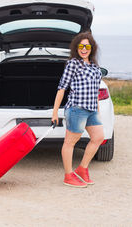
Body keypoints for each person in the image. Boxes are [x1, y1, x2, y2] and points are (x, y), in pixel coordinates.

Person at [52, 31, 104, 188]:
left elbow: (95, 92)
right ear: (76, 48)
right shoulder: (73, 64)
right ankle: (68, 175)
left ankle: (82, 169)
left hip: (92, 110)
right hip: (76, 109)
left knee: (98, 137)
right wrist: (55, 112)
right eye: (81, 46)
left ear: (92, 48)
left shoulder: (95, 68)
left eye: (87, 46)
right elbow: (62, 88)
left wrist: (98, 111)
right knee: (70, 142)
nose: (84, 49)